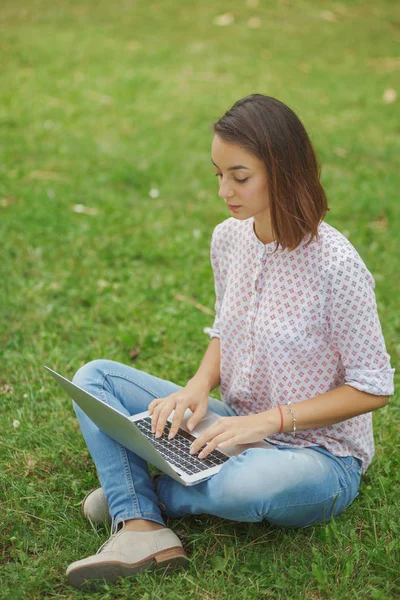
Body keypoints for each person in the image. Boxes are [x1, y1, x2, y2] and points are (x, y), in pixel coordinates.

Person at [66, 94, 395, 589]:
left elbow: (374, 388)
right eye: (218, 174)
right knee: (95, 377)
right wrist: (197, 387)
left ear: (284, 171)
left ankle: (137, 495)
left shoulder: (337, 265)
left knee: (250, 484)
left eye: (239, 177)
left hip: (320, 457)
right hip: (231, 431)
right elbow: (228, 326)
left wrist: (267, 422)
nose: (225, 190)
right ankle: (143, 526)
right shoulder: (229, 237)